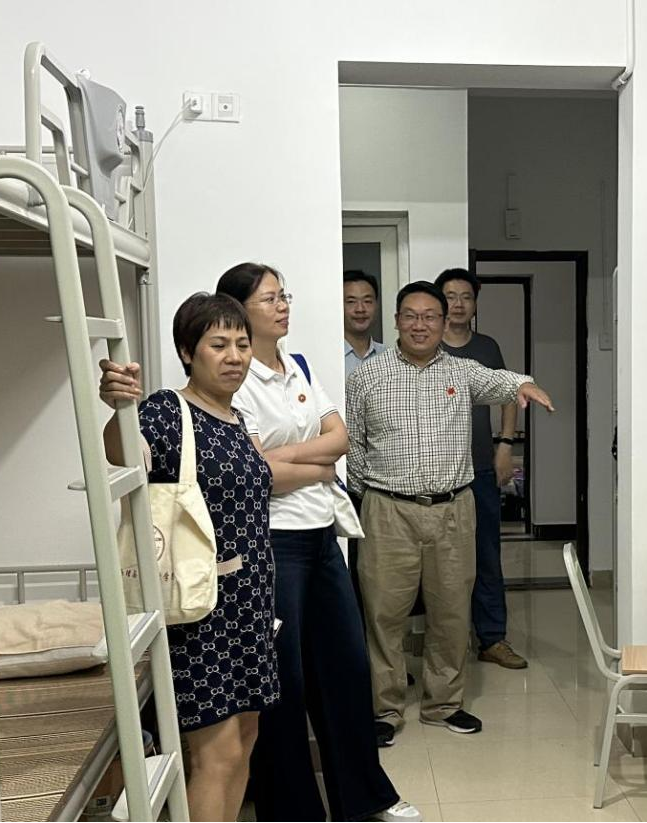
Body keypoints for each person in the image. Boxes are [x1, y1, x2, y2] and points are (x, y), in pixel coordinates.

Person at [216, 263, 420, 823]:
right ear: (237, 310)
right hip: (271, 542)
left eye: (284, 295)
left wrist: (283, 460)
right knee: (283, 679)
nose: (283, 305)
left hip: (322, 535)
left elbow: (341, 438)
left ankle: (365, 796)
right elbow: (255, 474)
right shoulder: (235, 380)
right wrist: (313, 464)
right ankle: (292, 809)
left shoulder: (299, 366)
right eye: (269, 298)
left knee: (346, 669)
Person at [97, 293, 278, 823]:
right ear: (186, 352)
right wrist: (118, 408)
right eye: (218, 345)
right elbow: (123, 452)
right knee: (215, 755)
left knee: (244, 742)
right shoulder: (166, 411)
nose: (234, 356)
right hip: (200, 613)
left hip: (249, 606)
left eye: (242, 344)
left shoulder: (236, 417)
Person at [346, 281, 554, 742]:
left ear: (444, 323)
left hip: (454, 511)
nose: (419, 325)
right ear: (396, 321)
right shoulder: (367, 376)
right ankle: (384, 709)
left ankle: (443, 704)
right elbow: (353, 444)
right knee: (383, 615)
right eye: (410, 316)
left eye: (430, 316)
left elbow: (504, 382)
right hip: (387, 510)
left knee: (451, 613)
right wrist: (370, 496)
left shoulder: (463, 371)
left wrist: (526, 384)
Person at [434, 267, 526, 670]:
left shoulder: (487, 347)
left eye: (466, 296)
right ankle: (446, 641)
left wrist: (505, 446)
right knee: (440, 561)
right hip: (438, 472)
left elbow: (508, 394)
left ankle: (492, 638)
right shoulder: (427, 346)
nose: (458, 304)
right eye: (450, 296)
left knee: (487, 554)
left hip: (481, 469)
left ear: (475, 303)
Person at [344, 269, 387, 379]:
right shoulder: (328, 356)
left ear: (376, 305)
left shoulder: (388, 356)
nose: (360, 309)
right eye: (351, 302)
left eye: (367, 301)